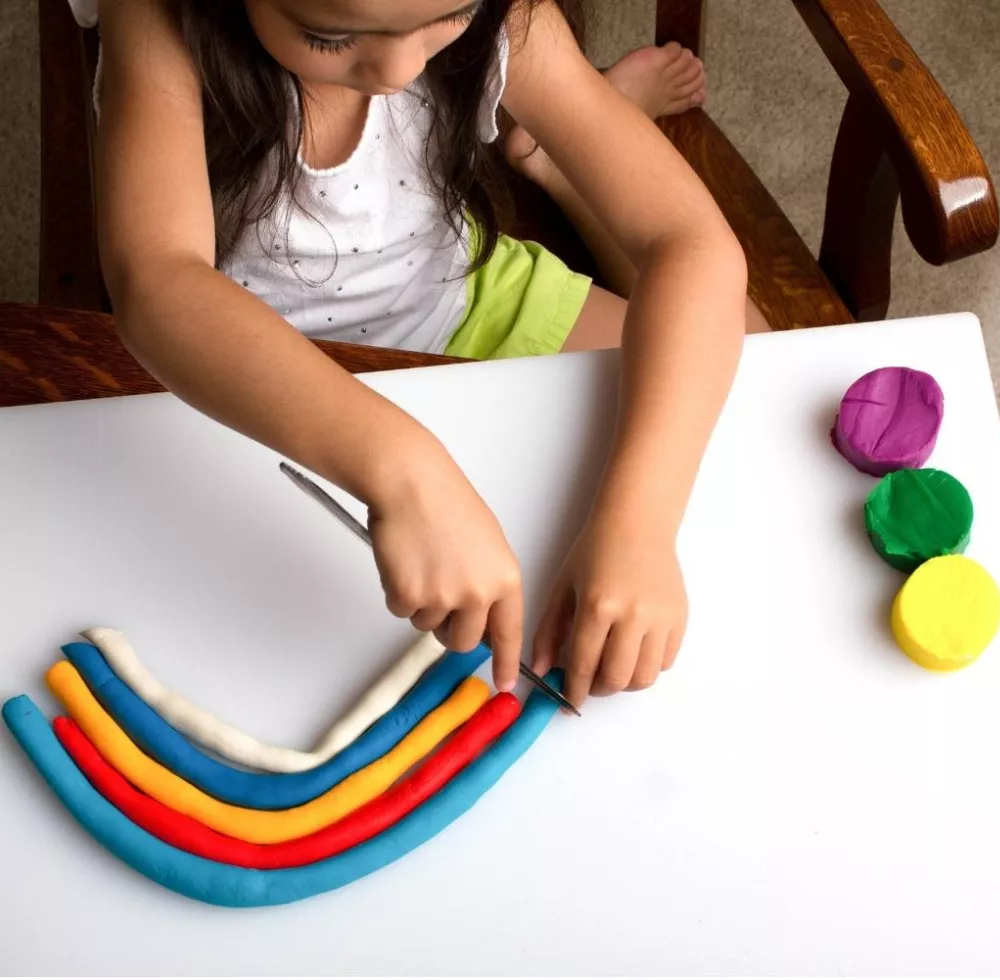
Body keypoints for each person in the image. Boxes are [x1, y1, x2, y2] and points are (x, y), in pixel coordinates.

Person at [83, 0, 761, 708]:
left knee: (754, 345)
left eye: (452, 17)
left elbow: (691, 244)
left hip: (460, 304)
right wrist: (407, 471)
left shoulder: (513, 17)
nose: (401, 70)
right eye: (329, 35)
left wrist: (639, 523)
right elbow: (156, 281)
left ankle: (551, 150)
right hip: (253, 370)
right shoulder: (158, 16)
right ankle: (559, 142)